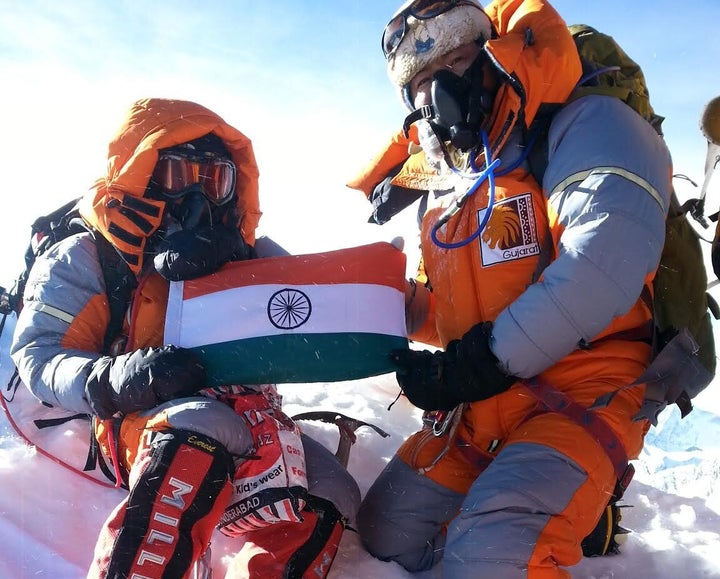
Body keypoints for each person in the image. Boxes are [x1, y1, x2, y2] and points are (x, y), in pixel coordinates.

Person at [352, 1, 673, 577]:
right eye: (420, 82)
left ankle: (560, 515)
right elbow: (443, 312)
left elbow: (604, 259)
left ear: (491, 51)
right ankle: (524, 503)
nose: (439, 90)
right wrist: (384, 307)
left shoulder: (585, 124)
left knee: (491, 556)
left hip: (581, 394)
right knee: (383, 535)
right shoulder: (456, 185)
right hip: (482, 412)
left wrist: (484, 361)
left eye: (455, 58)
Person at [10, 97, 360, 578]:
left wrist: (243, 264)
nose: (198, 198)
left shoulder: (249, 252)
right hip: (139, 413)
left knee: (330, 491)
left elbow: (317, 299)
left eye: (216, 181)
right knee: (201, 429)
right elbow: (40, 354)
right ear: (141, 174)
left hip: (250, 414)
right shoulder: (89, 254)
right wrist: (114, 378)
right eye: (177, 175)